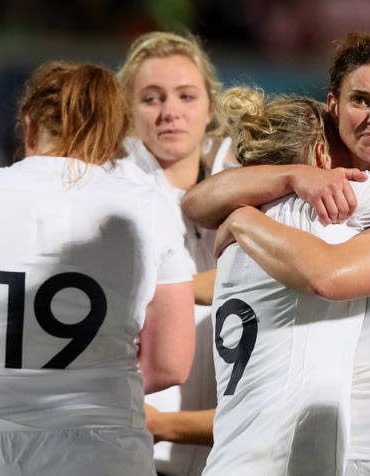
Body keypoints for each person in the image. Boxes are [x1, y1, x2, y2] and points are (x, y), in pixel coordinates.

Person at [184, 32, 370, 476]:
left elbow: (330, 277)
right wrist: (291, 176)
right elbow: (197, 203)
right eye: (361, 100)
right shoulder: (315, 210)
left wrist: (244, 220)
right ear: (334, 106)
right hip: (338, 454)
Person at [0, 60, 195, 476]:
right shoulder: (148, 206)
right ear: (109, 132)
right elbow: (170, 365)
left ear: (29, 125)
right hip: (107, 455)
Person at [114, 30, 233, 476]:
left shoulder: (250, 186)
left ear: (210, 107)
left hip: (222, 454)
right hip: (138, 452)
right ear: (127, 110)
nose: (170, 113)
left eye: (185, 95)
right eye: (151, 98)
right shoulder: (107, 193)